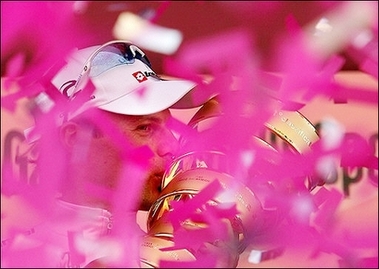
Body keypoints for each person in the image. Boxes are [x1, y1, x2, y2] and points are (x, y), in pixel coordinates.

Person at [1, 40, 240, 268]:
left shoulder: (185, 257)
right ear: (75, 139)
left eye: (169, 127)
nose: (171, 146)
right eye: (145, 128)